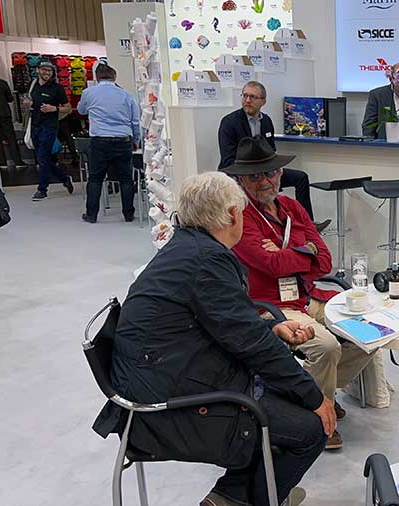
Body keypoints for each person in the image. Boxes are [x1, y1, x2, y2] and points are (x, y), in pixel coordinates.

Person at [92, 172, 334, 506]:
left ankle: (230, 496)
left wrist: (270, 329)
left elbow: (229, 325)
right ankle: (254, 500)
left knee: (285, 397)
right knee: (311, 429)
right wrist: (315, 398)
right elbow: (251, 344)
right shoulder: (208, 260)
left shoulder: (187, 247)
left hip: (157, 380)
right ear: (234, 214)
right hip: (166, 407)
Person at [223, 136, 375, 451]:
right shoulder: (239, 216)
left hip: (307, 296)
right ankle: (320, 418)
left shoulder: (292, 207)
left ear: (280, 173)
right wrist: (304, 250)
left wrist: (287, 251)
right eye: (254, 176)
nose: (264, 181)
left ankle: (315, 395)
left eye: (270, 172)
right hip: (272, 307)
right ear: (241, 181)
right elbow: (269, 264)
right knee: (326, 347)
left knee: (372, 332)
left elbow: (325, 261)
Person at [218, 81, 329, 232]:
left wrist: (274, 171)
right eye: (244, 96)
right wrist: (251, 173)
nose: (247, 100)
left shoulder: (266, 121)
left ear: (263, 101)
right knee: (261, 182)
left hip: (262, 170)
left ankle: (308, 225)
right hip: (239, 173)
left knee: (300, 177)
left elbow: (271, 152)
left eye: (252, 97)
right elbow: (228, 160)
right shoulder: (229, 122)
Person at [76, 64, 140, 223]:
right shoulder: (126, 94)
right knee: (126, 179)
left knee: (95, 179)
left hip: (99, 140)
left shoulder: (88, 93)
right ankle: (128, 214)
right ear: (114, 77)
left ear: (97, 77)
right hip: (123, 139)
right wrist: (136, 140)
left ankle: (91, 215)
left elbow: (81, 111)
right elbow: (135, 121)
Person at [24, 60, 74, 201]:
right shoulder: (32, 84)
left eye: (50, 70)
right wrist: (28, 104)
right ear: (38, 70)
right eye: (44, 69)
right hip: (34, 125)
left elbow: (68, 108)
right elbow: (28, 101)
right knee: (42, 158)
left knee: (43, 158)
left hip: (49, 127)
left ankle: (42, 190)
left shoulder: (57, 88)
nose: (47, 72)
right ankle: (64, 178)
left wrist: (54, 108)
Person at [0, 68, 27, 168]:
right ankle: (18, 162)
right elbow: (10, 99)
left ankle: (2, 162)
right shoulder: (2, 83)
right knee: (11, 137)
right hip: (4, 113)